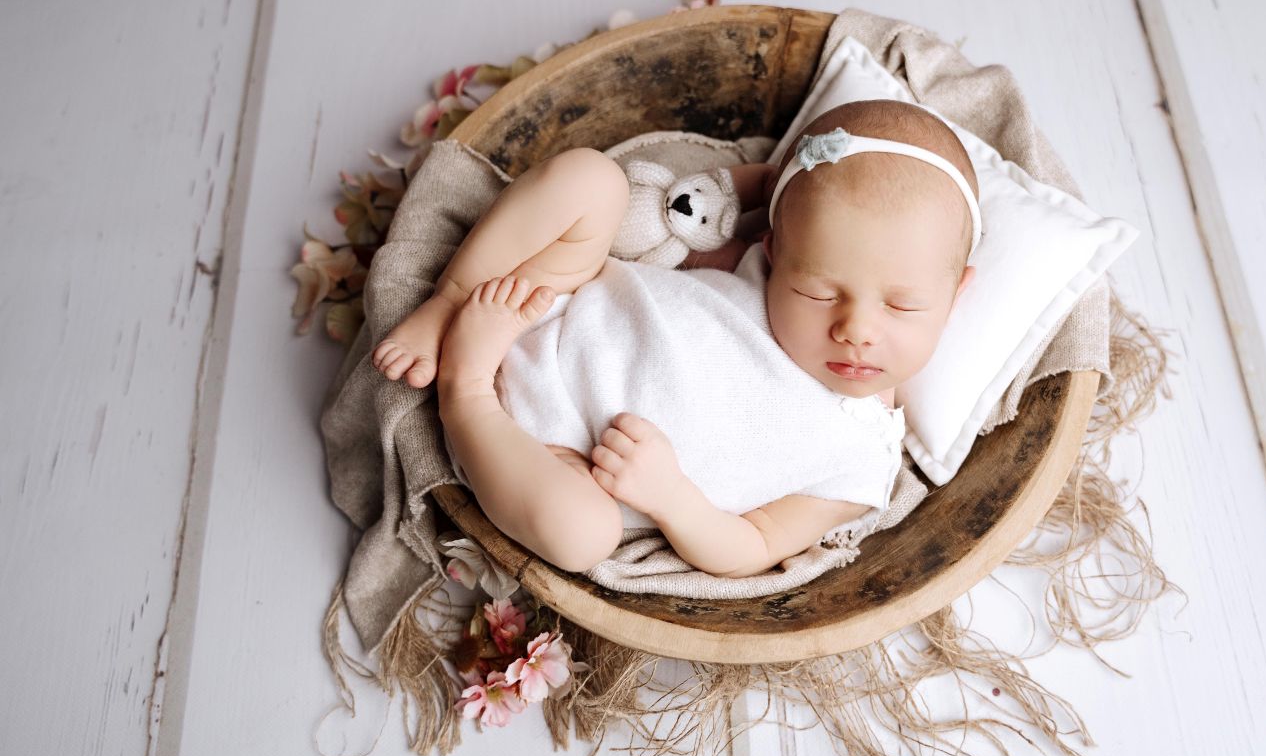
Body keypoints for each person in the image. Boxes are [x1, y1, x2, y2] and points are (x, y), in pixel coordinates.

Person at [371, 99, 980, 577]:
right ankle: (450, 299)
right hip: (549, 293)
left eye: (903, 305)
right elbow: (728, 197)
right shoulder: (763, 267)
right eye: (819, 293)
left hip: (557, 454)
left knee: (582, 535)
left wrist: (670, 497)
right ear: (775, 251)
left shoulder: (860, 461)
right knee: (590, 178)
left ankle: (466, 392)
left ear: (957, 297)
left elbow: (754, 546)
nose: (855, 330)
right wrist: (773, 182)